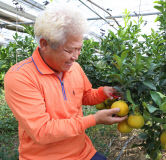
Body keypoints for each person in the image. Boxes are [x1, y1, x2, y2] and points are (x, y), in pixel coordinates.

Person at [4, 2, 127, 160]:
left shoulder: (74, 67)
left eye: (79, 49)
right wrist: (93, 120)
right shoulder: (21, 77)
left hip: (83, 152)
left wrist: (103, 92)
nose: (75, 57)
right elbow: (42, 131)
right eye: (69, 50)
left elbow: (85, 95)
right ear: (44, 44)